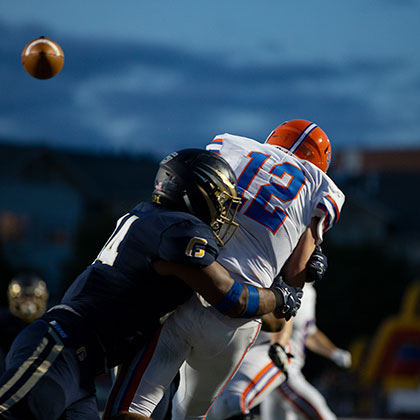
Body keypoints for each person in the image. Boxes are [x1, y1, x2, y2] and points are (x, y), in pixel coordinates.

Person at [0, 149, 298, 420]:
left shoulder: (153, 220)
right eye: (220, 199)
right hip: (61, 346)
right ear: (195, 192)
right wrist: (281, 295)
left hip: (81, 365)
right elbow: (233, 298)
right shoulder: (178, 230)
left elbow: (255, 315)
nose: (223, 211)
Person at [107, 119, 345, 419]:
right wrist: (300, 270)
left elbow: (189, 192)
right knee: (191, 414)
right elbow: (288, 295)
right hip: (236, 324)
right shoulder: (324, 187)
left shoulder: (231, 144)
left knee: (135, 406)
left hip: (187, 285)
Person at [205, 247, 329, 420]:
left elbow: (285, 322)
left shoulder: (305, 292)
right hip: (236, 349)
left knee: (228, 403)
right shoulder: (261, 264)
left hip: (276, 356)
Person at [260, 282, 352, 420]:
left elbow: (308, 333)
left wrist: (334, 352)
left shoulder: (309, 292)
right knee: (323, 415)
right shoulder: (279, 287)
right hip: (279, 370)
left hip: (290, 370)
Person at [0, 274, 49, 373]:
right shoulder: (4, 322)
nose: (28, 301)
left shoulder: (51, 320)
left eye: (32, 297)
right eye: (23, 297)